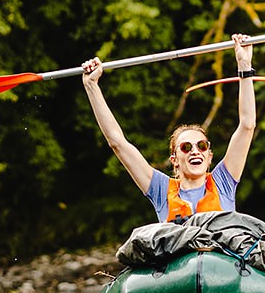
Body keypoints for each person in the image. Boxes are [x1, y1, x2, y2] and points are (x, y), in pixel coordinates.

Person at [82, 35, 256, 222]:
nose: (195, 151)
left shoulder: (223, 182)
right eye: (186, 147)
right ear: (174, 160)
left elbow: (247, 125)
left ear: (209, 157)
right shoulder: (160, 189)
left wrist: (244, 65)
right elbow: (117, 143)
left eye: (202, 146)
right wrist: (91, 86)